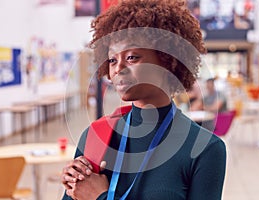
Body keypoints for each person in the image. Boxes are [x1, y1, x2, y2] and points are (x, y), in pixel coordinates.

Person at [61, 1, 226, 200]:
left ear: (167, 62)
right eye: (112, 60)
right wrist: (73, 189)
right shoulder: (96, 136)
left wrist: (100, 197)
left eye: (131, 57)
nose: (118, 68)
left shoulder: (205, 149)